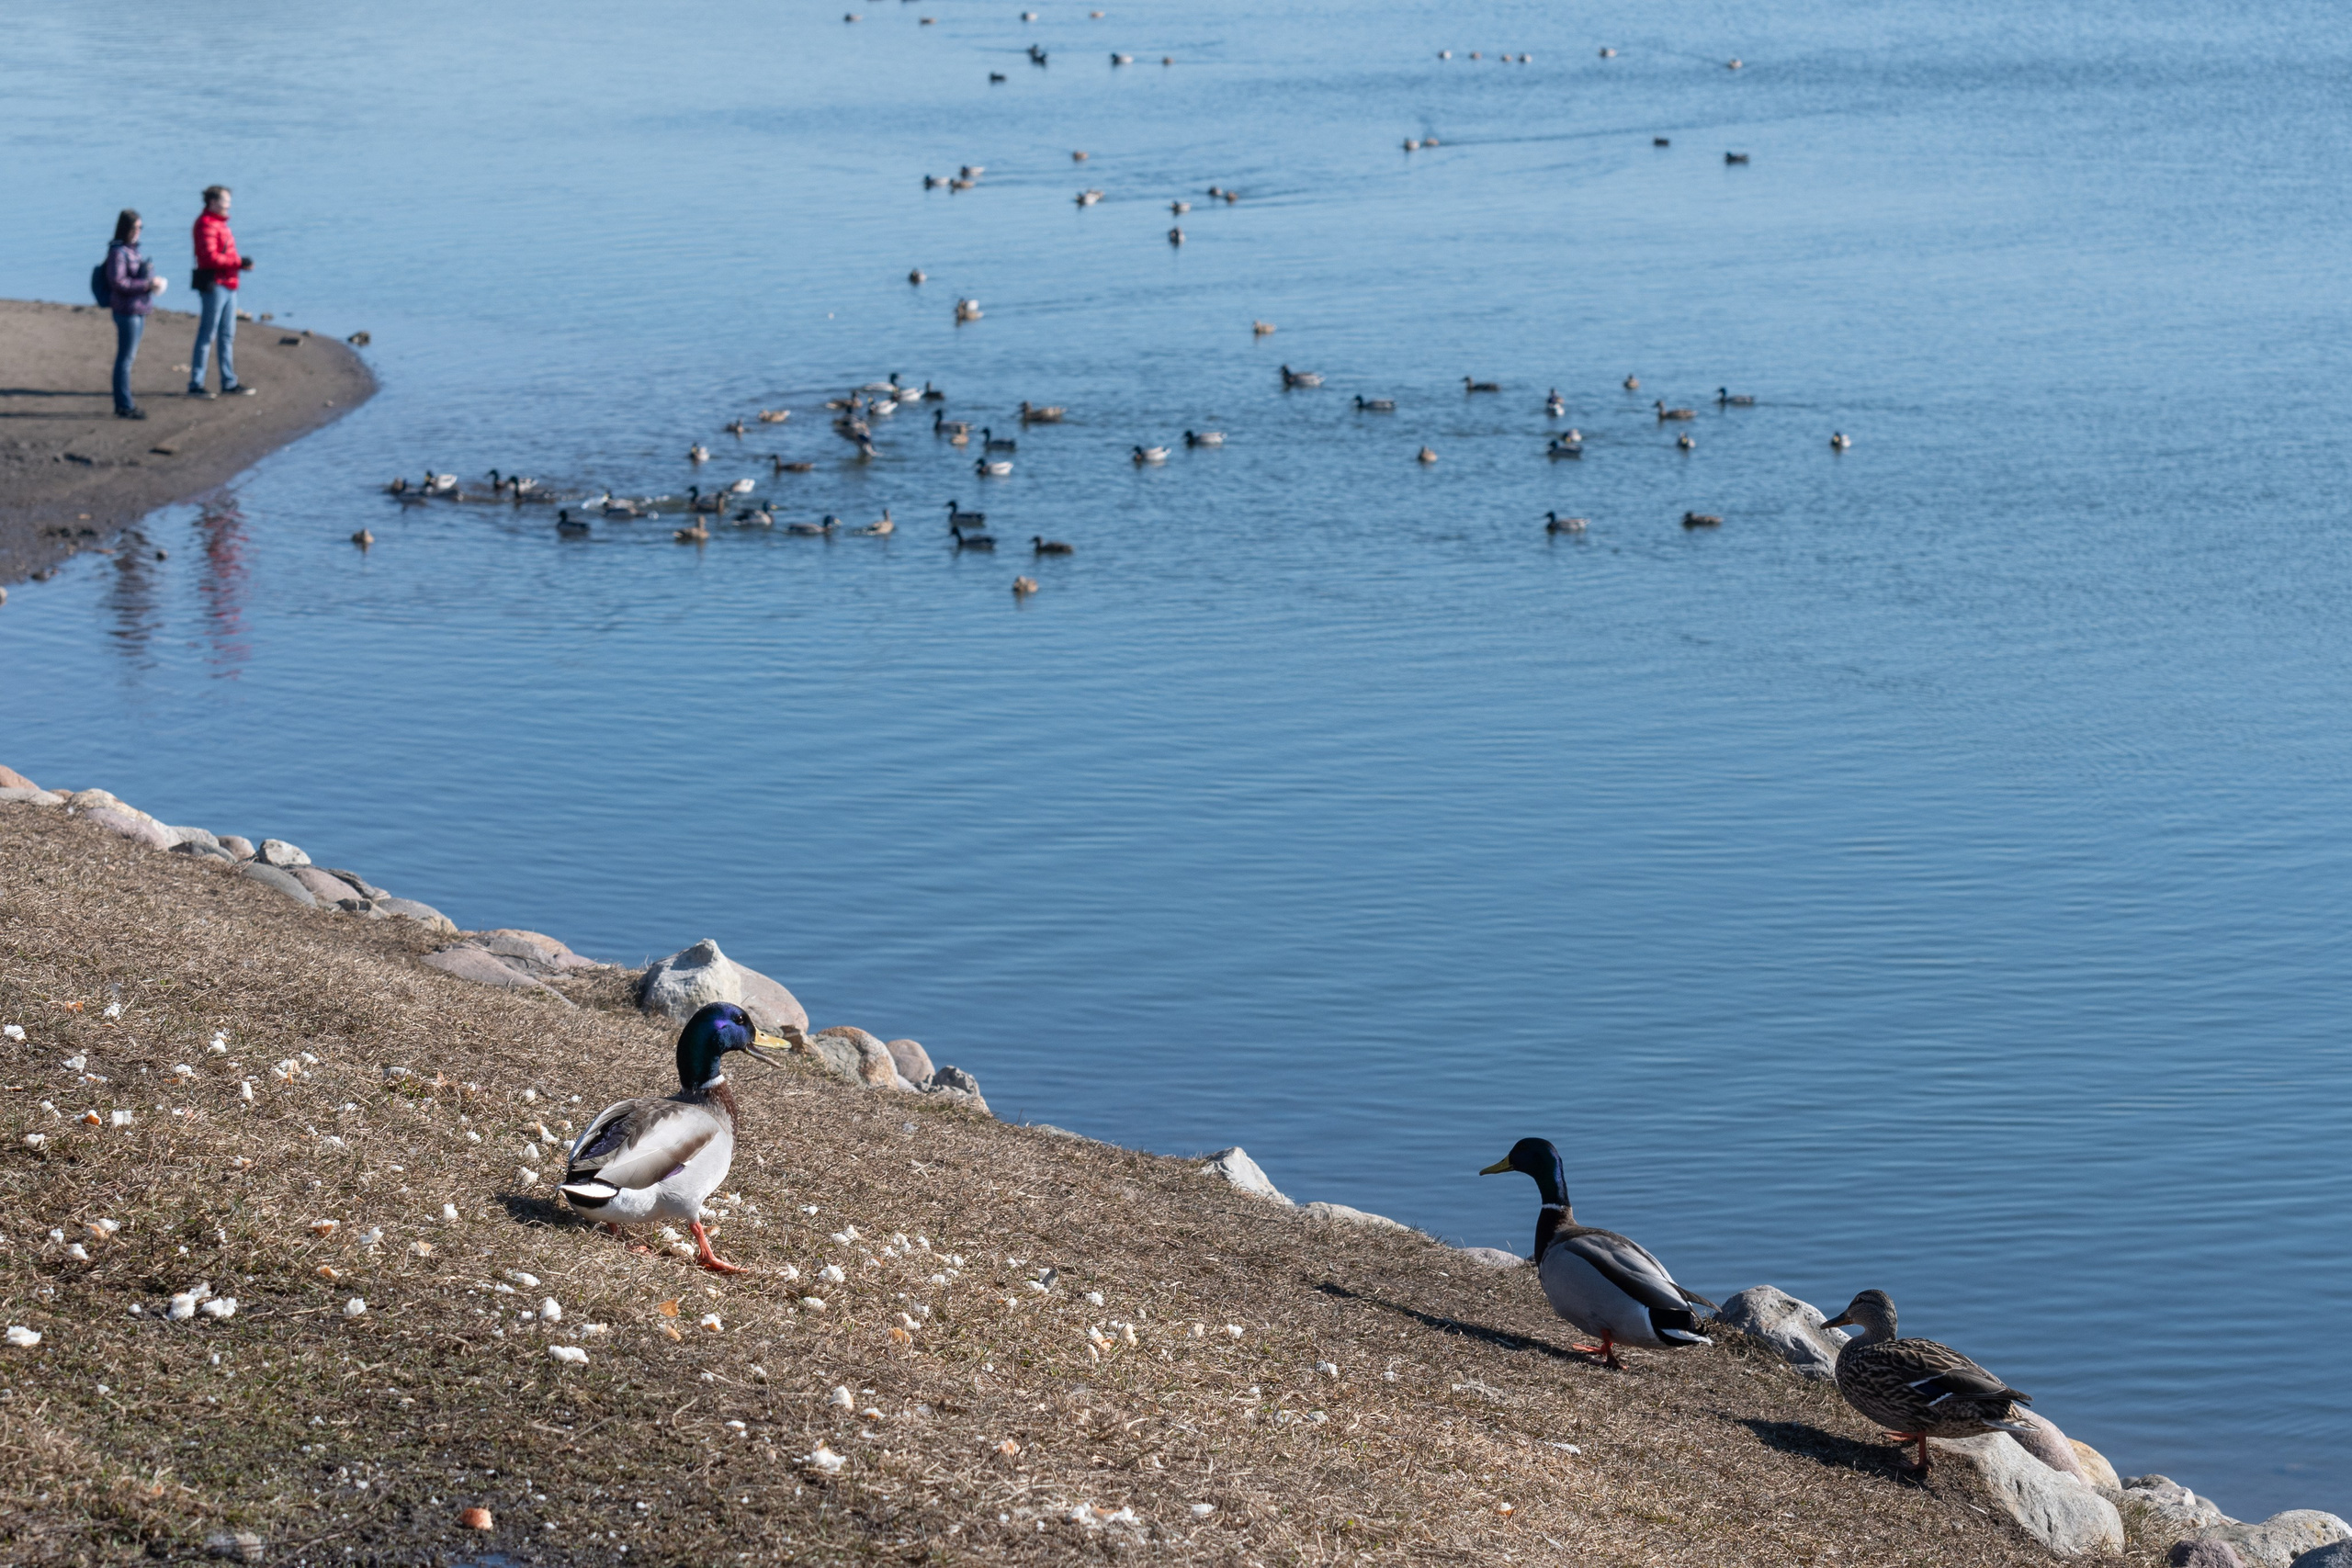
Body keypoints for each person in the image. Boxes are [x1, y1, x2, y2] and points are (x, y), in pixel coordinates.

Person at [187, 185, 254, 398]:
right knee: (207, 334)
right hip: (215, 285)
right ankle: (196, 384)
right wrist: (239, 262)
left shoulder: (220, 224)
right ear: (213, 202)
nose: (229, 205)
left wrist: (240, 264)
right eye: (225, 201)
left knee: (227, 335)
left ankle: (228, 381)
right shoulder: (206, 224)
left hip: (229, 284)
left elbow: (223, 255)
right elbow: (209, 258)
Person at [104, 209, 166, 420]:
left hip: (138, 309)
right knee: (125, 359)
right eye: (135, 228)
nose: (138, 231)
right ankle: (124, 405)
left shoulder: (133, 251)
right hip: (126, 311)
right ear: (125, 228)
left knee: (128, 358)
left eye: (140, 227)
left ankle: (124, 403)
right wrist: (147, 284)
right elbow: (118, 282)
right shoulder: (118, 253)